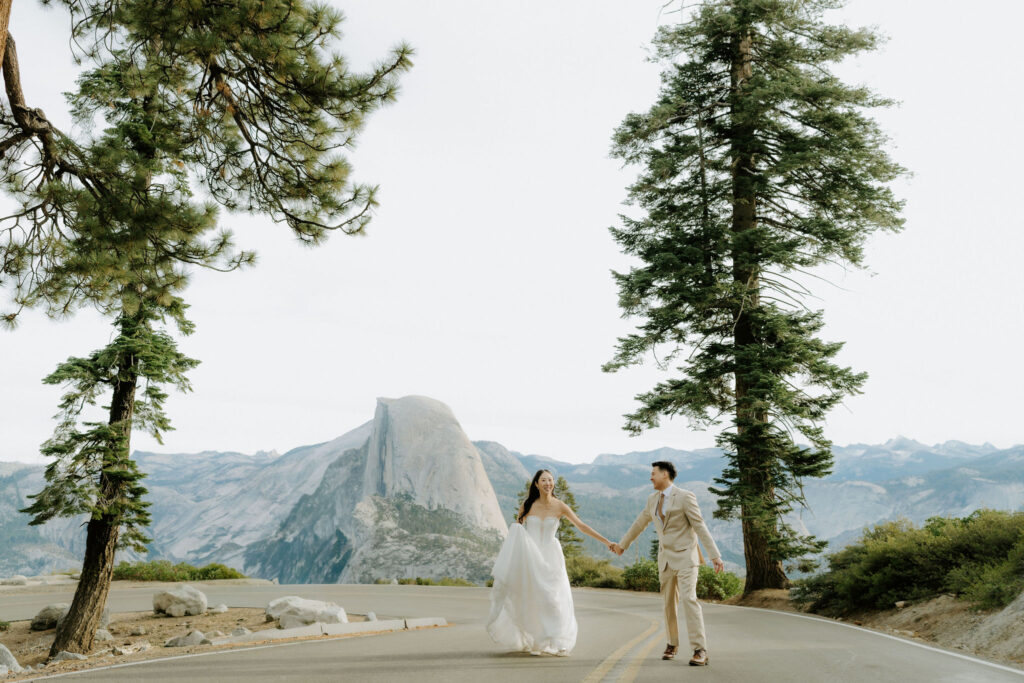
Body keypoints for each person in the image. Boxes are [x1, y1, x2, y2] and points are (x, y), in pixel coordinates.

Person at [486, 469, 614, 656]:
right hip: (530, 558)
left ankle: (558, 639)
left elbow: (582, 526)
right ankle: (538, 639)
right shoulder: (527, 505)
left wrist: (607, 542)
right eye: (543, 480)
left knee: (554, 599)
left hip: (551, 557)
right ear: (536, 484)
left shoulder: (560, 506)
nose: (548, 483)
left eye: (550, 480)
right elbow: (517, 533)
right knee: (532, 599)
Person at [611, 461, 724, 667]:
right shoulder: (652, 499)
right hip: (665, 559)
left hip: (686, 558)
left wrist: (714, 555)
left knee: (689, 599)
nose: (650, 477)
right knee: (668, 604)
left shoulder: (685, 497)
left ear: (665, 475)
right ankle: (672, 644)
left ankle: (700, 649)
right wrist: (622, 546)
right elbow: (640, 523)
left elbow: (699, 525)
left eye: (653, 473)